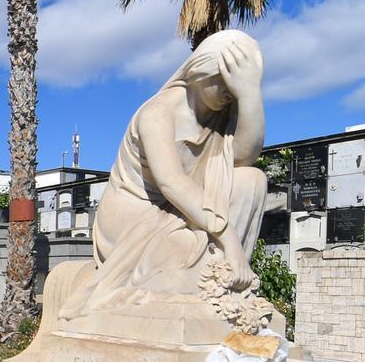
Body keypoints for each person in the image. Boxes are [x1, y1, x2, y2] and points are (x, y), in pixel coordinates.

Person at [60, 29, 267, 320]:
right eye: (225, 84)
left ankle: (223, 284)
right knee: (183, 252)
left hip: (189, 208)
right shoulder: (157, 113)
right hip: (137, 215)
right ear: (201, 72)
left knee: (253, 180)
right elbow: (172, 182)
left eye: (236, 88)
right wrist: (229, 239)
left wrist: (250, 96)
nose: (228, 94)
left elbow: (243, 158)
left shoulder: (222, 113)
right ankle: (200, 288)